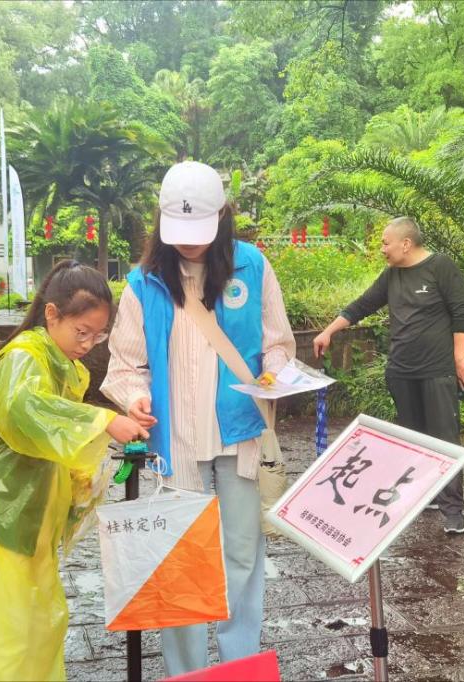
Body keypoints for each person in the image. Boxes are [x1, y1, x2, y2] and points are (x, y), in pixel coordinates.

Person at [101, 161, 296, 676]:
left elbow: (278, 344)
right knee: (181, 560)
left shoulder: (252, 266)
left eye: (200, 230)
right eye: (179, 231)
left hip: (240, 436)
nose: (189, 243)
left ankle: (240, 665)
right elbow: (125, 365)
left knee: (243, 555)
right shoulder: (144, 283)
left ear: (223, 217)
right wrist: (135, 397)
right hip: (176, 443)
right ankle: (185, 671)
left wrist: (274, 374)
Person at [0, 260, 147, 682]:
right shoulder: (25, 356)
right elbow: (23, 411)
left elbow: (52, 433)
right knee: (5, 631)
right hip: (0, 512)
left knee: (34, 625)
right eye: (82, 332)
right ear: (52, 314)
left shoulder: (60, 363)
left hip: (28, 515)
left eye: (98, 335)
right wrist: (103, 420)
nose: (88, 344)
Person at [313, 216, 464, 534]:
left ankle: (453, 511)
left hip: (437, 369)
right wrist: (328, 331)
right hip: (401, 371)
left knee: (444, 438)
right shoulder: (392, 275)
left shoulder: (441, 267)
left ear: (406, 243)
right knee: (413, 438)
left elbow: (462, 313)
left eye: (385, 243)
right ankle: (427, 494)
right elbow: (362, 305)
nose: (382, 249)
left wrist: (459, 358)